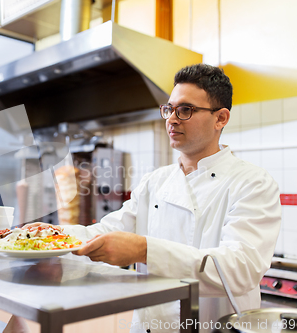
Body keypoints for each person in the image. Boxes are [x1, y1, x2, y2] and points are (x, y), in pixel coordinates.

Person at [25, 63, 282, 333]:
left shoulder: (252, 182)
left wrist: (145, 250)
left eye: (186, 110)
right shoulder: (156, 181)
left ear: (221, 119)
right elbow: (107, 230)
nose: (171, 119)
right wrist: (53, 235)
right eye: (169, 109)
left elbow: (239, 269)